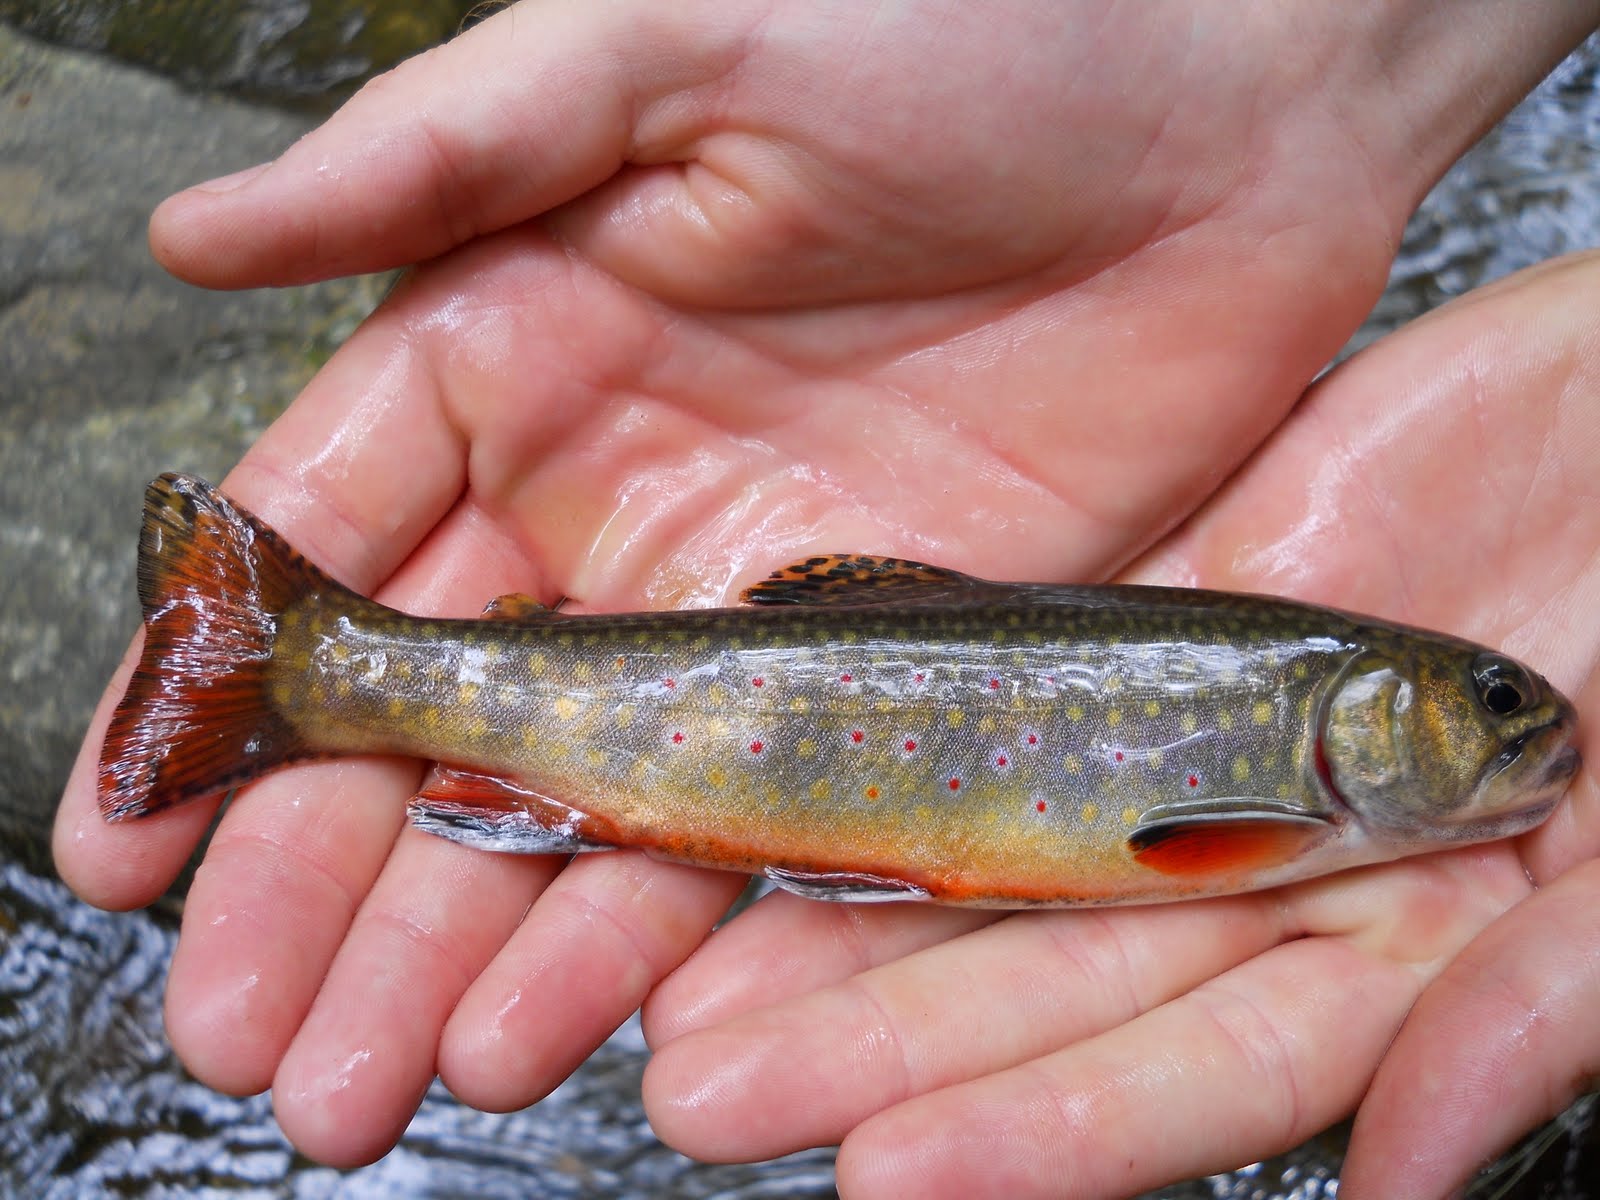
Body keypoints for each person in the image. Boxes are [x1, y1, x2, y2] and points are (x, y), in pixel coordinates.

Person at [51, 2, 1600, 1196]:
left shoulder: (1306, 771)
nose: (1532, 726)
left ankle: (305, 669)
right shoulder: (1286, 798)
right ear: (1369, 718)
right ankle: (302, 666)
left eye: (1503, 702)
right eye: (1494, 704)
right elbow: (1183, 847)